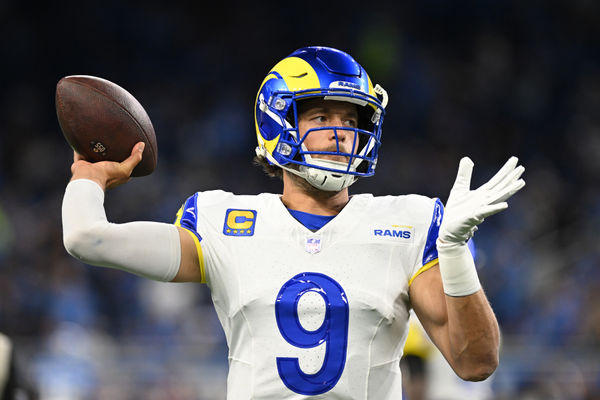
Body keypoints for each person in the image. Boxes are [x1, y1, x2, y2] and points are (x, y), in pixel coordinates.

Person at [61, 46, 525, 399]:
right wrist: (88, 174)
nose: (341, 131)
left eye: (351, 117)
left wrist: (455, 251)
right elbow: (86, 237)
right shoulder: (223, 221)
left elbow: (475, 362)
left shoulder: (408, 221)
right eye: (321, 115)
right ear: (277, 122)